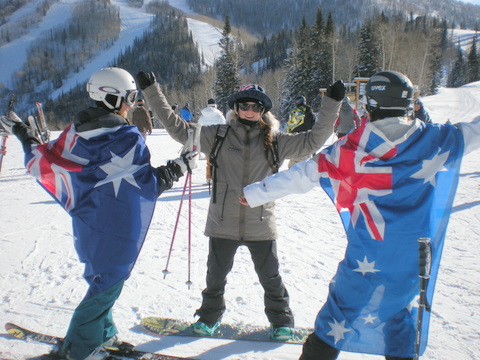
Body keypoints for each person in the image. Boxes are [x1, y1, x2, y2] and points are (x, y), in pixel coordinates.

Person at [240, 70, 480, 359]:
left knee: (338, 315)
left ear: (370, 104)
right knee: (398, 315)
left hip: (367, 255)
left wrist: (256, 193)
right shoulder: (436, 140)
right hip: (412, 256)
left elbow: (301, 174)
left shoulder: (348, 149)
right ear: (407, 103)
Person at [0, 67, 197, 360]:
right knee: (107, 284)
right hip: (118, 226)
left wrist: (21, 132)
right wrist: (179, 167)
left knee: (101, 279)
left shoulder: (74, 134)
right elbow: (144, 184)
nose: (132, 105)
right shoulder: (127, 137)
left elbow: (45, 158)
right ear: (112, 98)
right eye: (130, 97)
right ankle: (81, 347)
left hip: (89, 223)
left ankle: (104, 333)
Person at [136, 71, 345, 341]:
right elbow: (179, 129)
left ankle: (281, 323)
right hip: (223, 221)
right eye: (244, 105)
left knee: (271, 278)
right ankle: (209, 319)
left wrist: (331, 103)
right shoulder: (218, 136)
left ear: (263, 111)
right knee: (215, 278)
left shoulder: (276, 140)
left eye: (255, 106)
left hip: (261, 223)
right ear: (235, 108)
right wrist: (152, 90)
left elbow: (313, 141)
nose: (249, 110)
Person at [197, 98, 226, 184]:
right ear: (215, 105)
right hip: (217, 139)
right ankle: (218, 177)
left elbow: (199, 126)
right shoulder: (219, 114)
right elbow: (224, 126)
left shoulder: (203, 115)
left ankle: (209, 177)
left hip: (205, 140)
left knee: (208, 160)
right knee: (219, 159)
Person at [285, 95, 316, 168]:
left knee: (293, 164)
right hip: (307, 138)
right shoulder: (310, 112)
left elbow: (290, 126)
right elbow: (313, 124)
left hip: (295, 139)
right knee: (305, 160)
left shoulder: (295, 112)